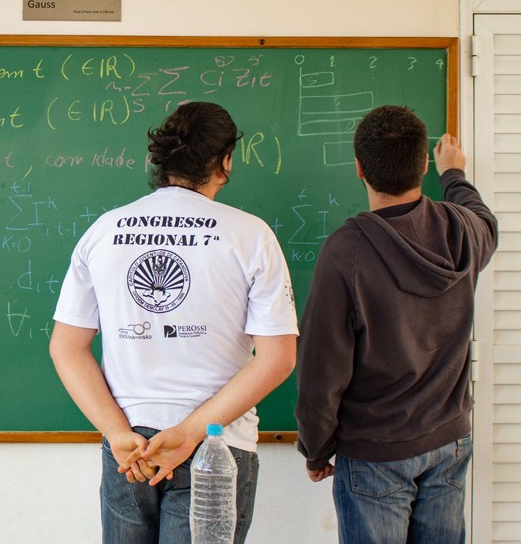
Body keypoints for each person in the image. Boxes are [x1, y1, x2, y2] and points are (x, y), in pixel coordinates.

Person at [49, 101, 298, 544]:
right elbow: (277, 358)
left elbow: (66, 347)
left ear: (158, 160)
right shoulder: (250, 235)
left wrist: (117, 434)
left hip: (129, 448)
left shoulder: (104, 231)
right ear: (224, 162)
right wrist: (187, 434)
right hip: (216, 443)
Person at [295, 105, 498, 543]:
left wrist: (315, 447)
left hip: (375, 453)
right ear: (423, 164)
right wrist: (455, 175)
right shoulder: (462, 228)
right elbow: (487, 221)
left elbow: (320, 367)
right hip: (450, 442)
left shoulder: (346, 252)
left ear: (358, 168)